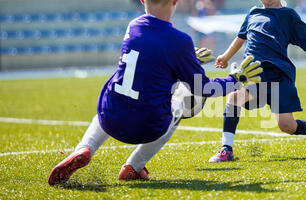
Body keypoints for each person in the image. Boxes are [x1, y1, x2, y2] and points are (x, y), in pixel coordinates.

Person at [48, 0, 263, 185]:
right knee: (180, 104)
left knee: (111, 100)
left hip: (110, 120)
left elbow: (152, 60)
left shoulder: (133, 26)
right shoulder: (180, 41)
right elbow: (203, 88)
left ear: (142, 0)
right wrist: (236, 80)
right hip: (147, 128)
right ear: (176, 1)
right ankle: (134, 165)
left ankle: (85, 148)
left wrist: (186, 58)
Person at [209, 0, 306, 163]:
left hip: (279, 75)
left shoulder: (288, 15)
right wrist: (225, 57)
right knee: (234, 98)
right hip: (255, 73)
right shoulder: (253, 13)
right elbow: (240, 38)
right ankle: (226, 149)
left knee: (287, 126)